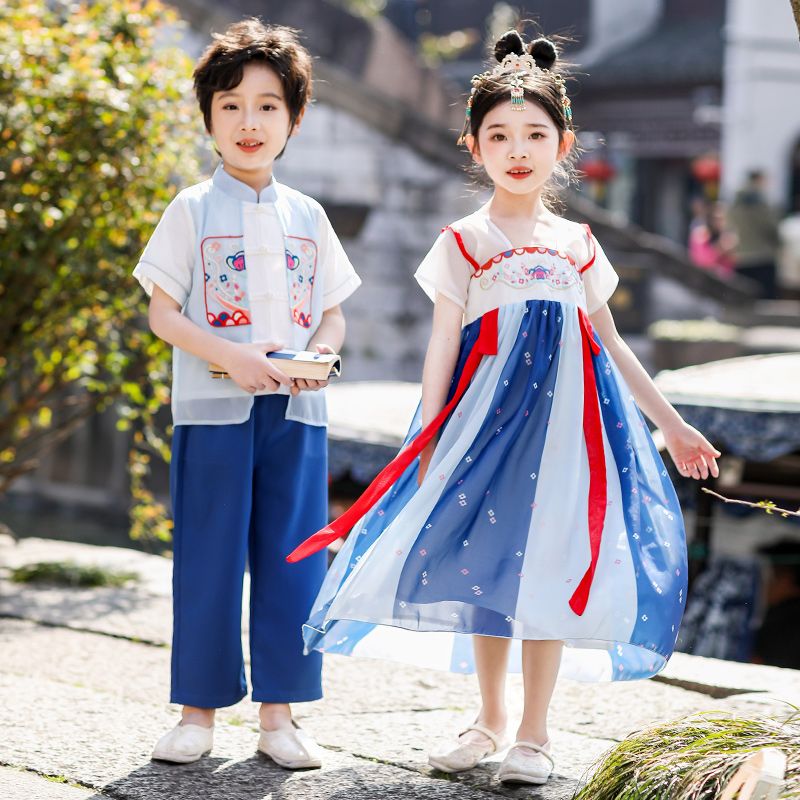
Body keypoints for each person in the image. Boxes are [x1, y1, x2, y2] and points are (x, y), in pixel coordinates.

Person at [286, 30, 719, 786]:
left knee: (549, 567)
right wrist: (424, 431)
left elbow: (612, 344)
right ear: (473, 145)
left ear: (564, 143)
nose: (518, 150)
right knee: (485, 566)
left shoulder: (579, 244)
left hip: (570, 438)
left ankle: (534, 731)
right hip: (485, 430)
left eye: (534, 135)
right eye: (499, 136)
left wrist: (672, 424)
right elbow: (442, 346)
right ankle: (486, 719)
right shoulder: (466, 240)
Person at [132, 19, 361, 768]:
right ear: (207, 119)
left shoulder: (310, 216)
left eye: (267, 105)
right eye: (229, 105)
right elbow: (163, 312)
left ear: (294, 118)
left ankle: (281, 716)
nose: (248, 121)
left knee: (295, 559)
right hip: (212, 413)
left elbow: (332, 310)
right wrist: (231, 356)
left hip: (297, 413)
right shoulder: (189, 210)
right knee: (208, 557)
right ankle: (197, 712)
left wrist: (320, 353)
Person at [727, 170, 781, 297]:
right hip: (762, 256)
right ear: (758, 180)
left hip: (741, 256)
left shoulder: (735, 203)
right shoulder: (760, 204)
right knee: (765, 299)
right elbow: (770, 228)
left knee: (743, 298)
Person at [688, 201, 738, 279]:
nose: (719, 222)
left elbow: (730, 266)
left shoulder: (727, 236)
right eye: (716, 219)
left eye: (722, 219)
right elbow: (701, 261)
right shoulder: (701, 234)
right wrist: (719, 249)